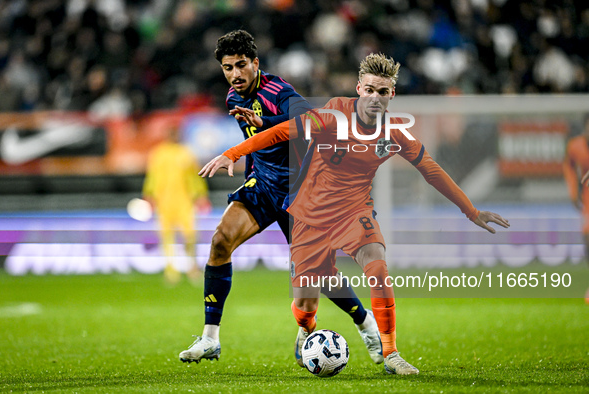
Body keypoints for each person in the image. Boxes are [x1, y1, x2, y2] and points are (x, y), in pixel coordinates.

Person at [200, 53, 511, 374]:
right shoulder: (334, 115)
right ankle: (307, 329)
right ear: (359, 88)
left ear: (392, 96)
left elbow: (431, 170)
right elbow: (282, 133)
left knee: (377, 265)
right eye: (371, 90)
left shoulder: (395, 132)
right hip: (309, 212)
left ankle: (391, 354)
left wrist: (471, 211)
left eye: (384, 92)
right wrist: (231, 153)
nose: (376, 98)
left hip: (353, 210)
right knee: (305, 305)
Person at [179, 30, 383, 366]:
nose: (235, 74)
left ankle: (366, 324)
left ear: (255, 63)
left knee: (319, 275)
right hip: (262, 186)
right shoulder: (233, 97)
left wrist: (266, 121)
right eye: (228, 68)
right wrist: (248, 180)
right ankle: (210, 338)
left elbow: (310, 120)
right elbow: (261, 147)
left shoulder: (278, 91)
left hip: (303, 191)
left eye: (241, 65)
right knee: (220, 241)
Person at [143, 127, 210, 284]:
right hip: (163, 201)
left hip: (184, 201)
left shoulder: (186, 153)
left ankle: (192, 268)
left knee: (190, 236)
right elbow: (152, 176)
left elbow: (195, 177)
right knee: (166, 236)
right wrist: (149, 196)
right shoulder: (158, 153)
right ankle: (171, 271)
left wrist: (200, 195)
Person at [565, 115, 589, 303]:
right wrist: (573, 192)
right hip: (587, 198)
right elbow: (568, 166)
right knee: (587, 235)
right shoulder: (575, 146)